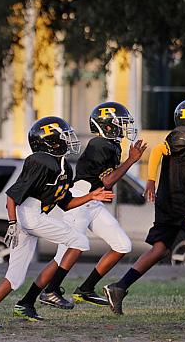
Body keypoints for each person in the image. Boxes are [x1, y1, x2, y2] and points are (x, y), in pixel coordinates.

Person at [0, 116, 114, 331]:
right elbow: (12, 196)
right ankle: (51, 290)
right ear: (50, 142)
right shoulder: (40, 160)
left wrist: (92, 196)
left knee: (14, 278)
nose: (69, 139)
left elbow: (66, 203)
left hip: (33, 218)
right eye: (64, 136)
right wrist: (12, 223)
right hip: (29, 215)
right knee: (80, 240)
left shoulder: (65, 167)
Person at [104, 98, 185, 315]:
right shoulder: (183, 135)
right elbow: (158, 151)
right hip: (181, 204)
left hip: (170, 203)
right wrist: (150, 181)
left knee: (160, 249)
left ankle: (118, 288)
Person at [39, 102, 147, 309]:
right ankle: (46, 292)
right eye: (121, 123)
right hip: (80, 200)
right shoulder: (99, 145)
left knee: (122, 245)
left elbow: (106, 180)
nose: (125, 128)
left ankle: (86, 289)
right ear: (107, 126)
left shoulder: (112, 145)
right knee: (64, 254)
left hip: (93, 201)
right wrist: (131, 161)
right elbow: (108, 180)